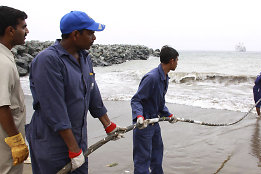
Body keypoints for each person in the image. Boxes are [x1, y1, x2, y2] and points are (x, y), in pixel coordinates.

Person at [25, 11, 125, 174]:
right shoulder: (48, 60)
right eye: (90, 33)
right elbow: (54, 108)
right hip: (52, 144)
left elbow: (92, 92)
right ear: (75, 34)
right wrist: (73, 149)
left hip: (78, 140)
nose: (94, 38)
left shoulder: (85, 58)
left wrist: (109, 125)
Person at [131, 45, 179, 174]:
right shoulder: (151, 78)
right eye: (177, 60)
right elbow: (136, 100)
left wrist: (169, 115)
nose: (178, 63)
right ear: (171, 61)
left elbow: (159, 103)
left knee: (157, 157)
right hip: (144, 124)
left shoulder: (164, 78)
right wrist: (139, 117)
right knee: (142, 161)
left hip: (154, 122)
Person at [0, 6, 29, 173]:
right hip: (6, 143)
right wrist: (16, 142)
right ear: (10, 30)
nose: (27, 31)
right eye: (23, 27)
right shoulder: (2, 63)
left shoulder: (6, 56)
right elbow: (2, 105)